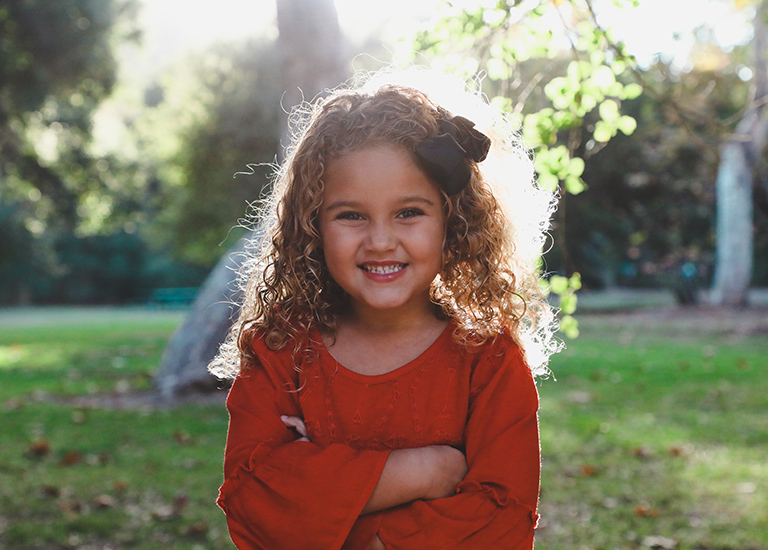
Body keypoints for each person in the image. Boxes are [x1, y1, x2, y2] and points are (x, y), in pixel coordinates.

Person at [209, 68, 560, 550]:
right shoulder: (277, 351)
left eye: (409, 212)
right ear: (312, 224)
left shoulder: (489, 359)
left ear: (451, 222)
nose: (379, 241)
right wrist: (424, 471)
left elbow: (502, 519)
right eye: (350, 215)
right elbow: (252, 503)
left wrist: (330, 497)